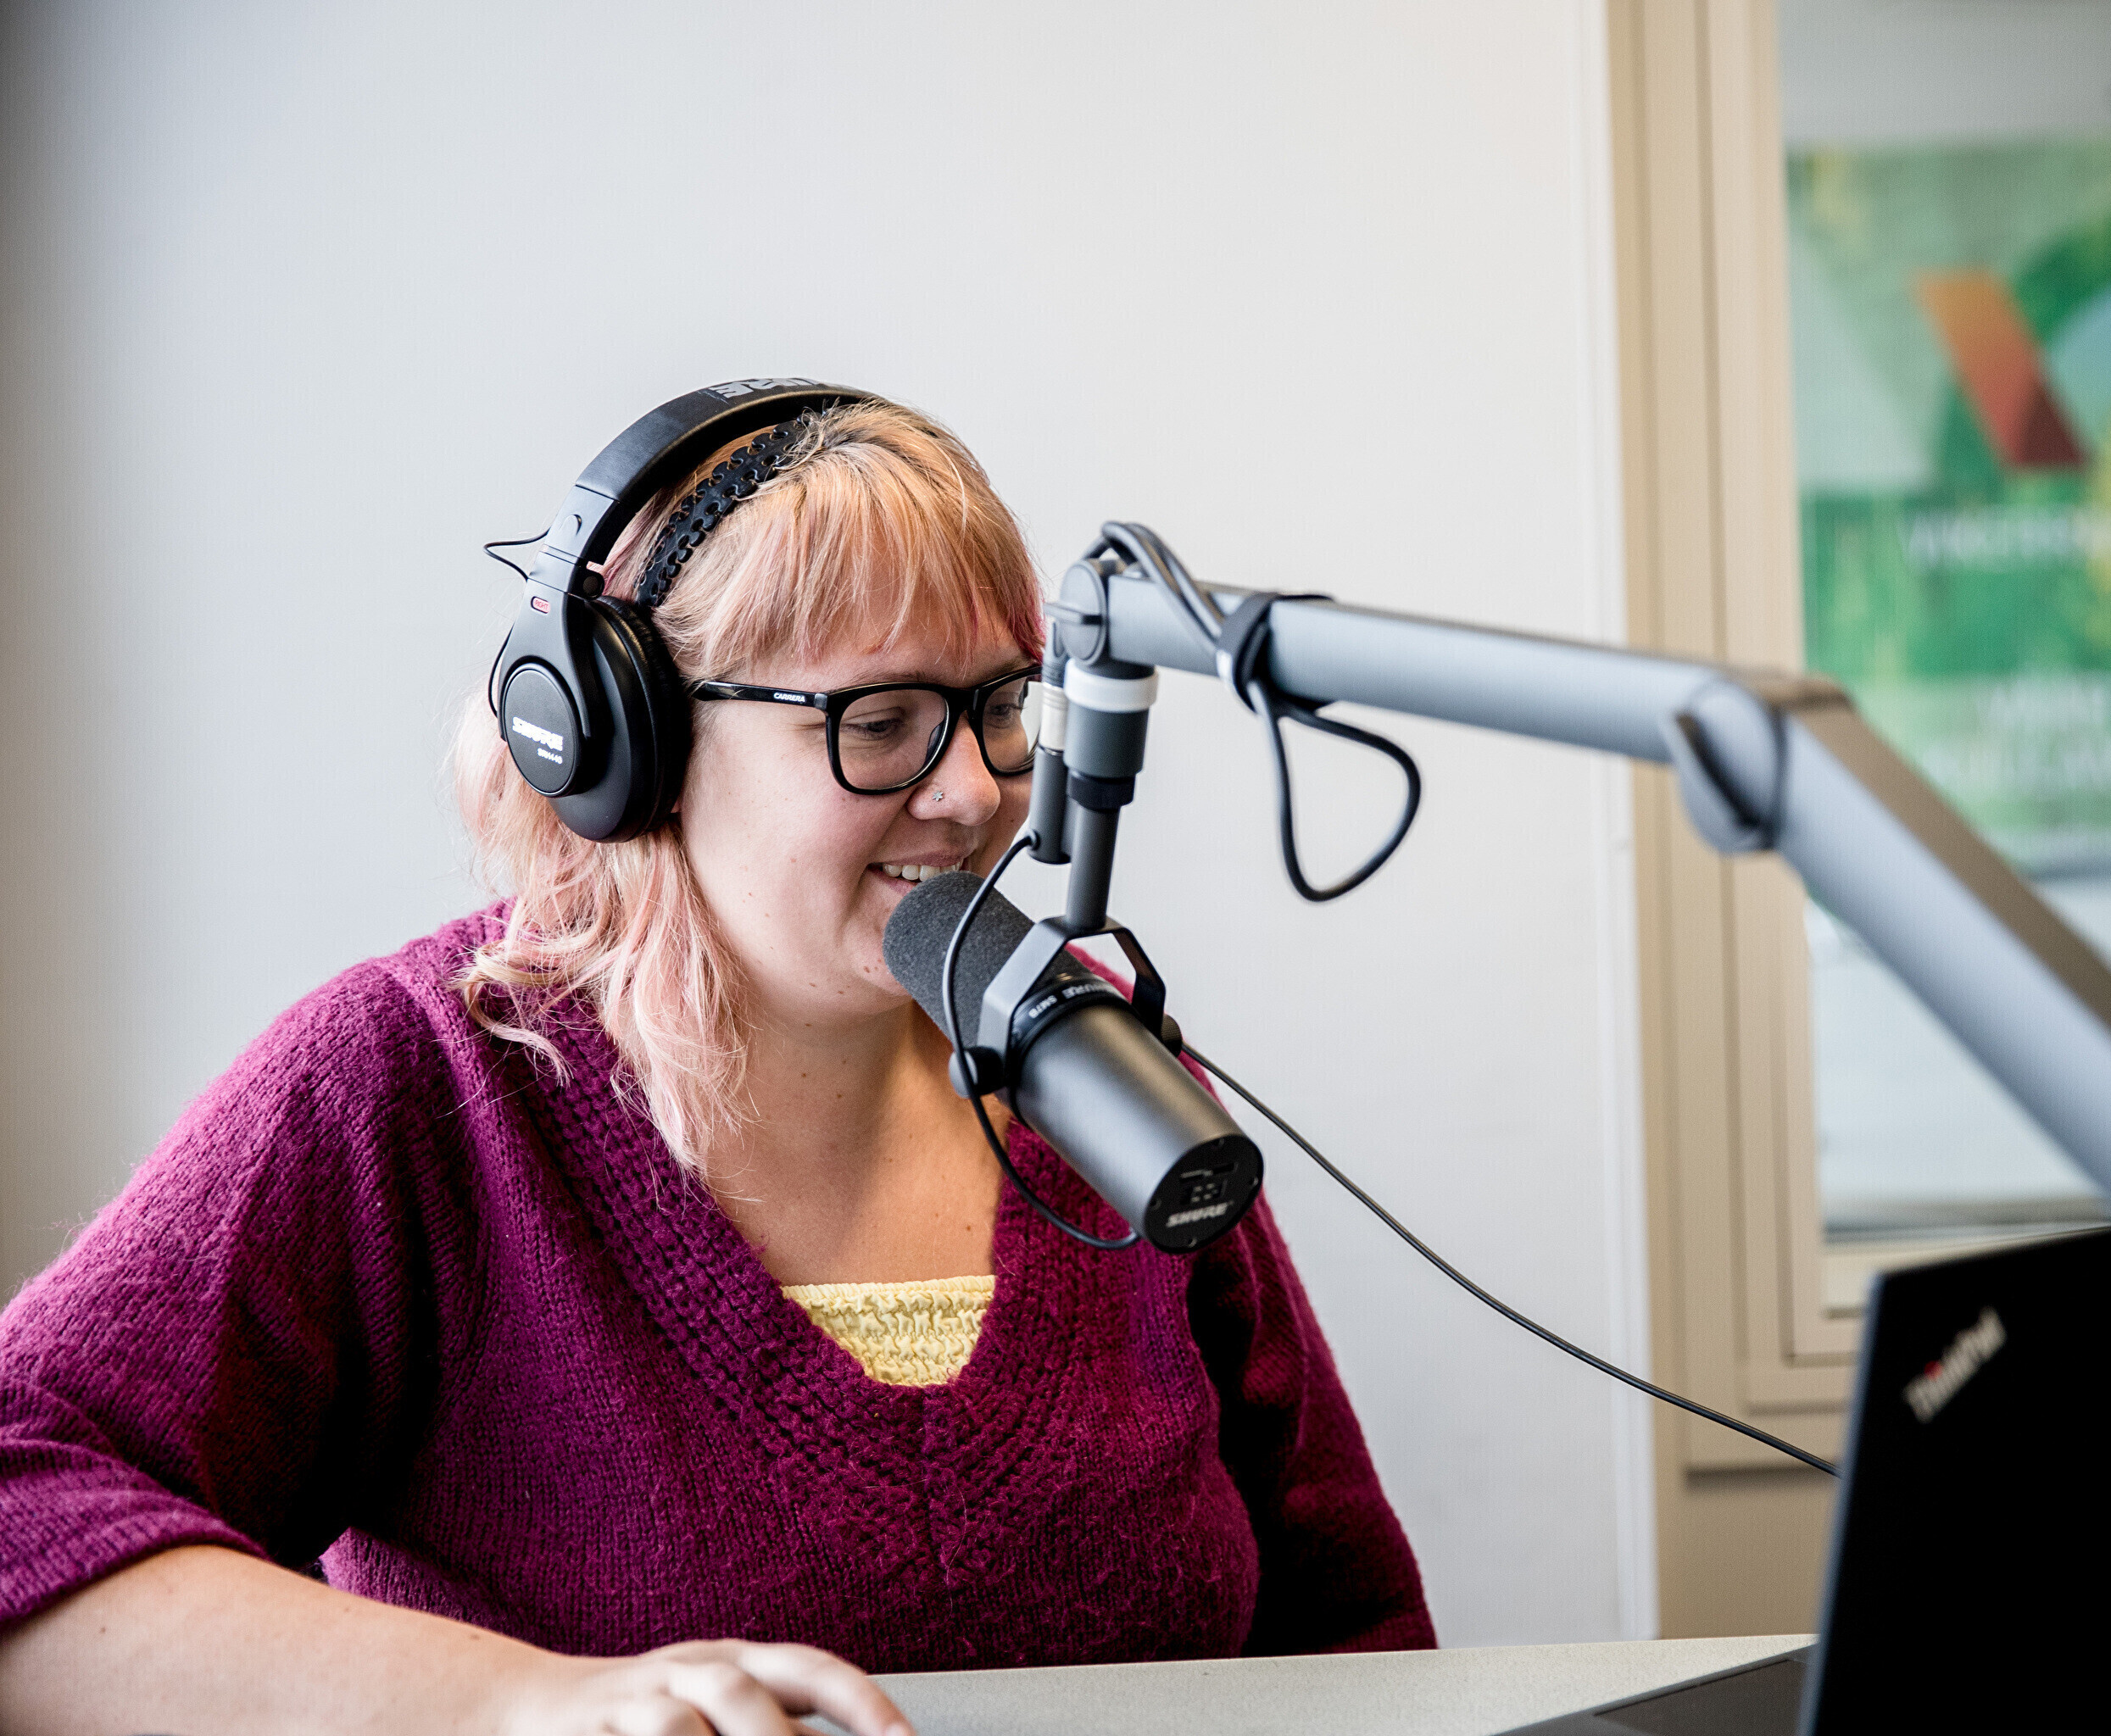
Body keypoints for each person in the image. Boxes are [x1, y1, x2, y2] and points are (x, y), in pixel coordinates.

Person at [0, 397, 1433, 1736]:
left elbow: (1358, 1635)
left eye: (1002, 706)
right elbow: (24, 1502)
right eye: (879, 722)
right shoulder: (408, 1087)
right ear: (637, 744)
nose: (973, 792)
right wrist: (527, 1706)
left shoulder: (1082, 1054)